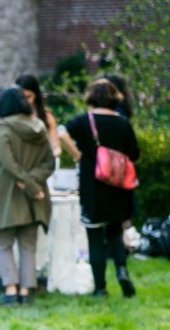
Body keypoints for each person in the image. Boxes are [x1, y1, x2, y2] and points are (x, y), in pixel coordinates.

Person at [64, 79, 141, 298]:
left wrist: (78, 155)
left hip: (93, 187)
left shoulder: (82, 121)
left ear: (91, 97)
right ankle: (122, 271)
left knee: (95, 238)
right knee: (115, 235)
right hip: (118, 187)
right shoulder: (123, 123)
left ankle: (100, 288)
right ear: (114, 98)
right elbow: (134, 154)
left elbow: (61, 132)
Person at [0, 87, 55, 305]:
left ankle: (10, 289)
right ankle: (26, 289)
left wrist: (27, 183)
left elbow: (8, 163)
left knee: (4, 242)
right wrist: (33, 183)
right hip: (35, 197)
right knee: (27, 243)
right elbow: (49, 163)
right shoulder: (39, 128)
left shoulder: (2, 129)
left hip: (6, 195)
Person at [15, 74, 61, 162]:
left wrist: (52, 154)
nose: (25, 101)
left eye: (28, 97)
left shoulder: (46, 116)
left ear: (36, 95)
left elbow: (55, 146)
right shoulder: (11, 116)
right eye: (21, 97)